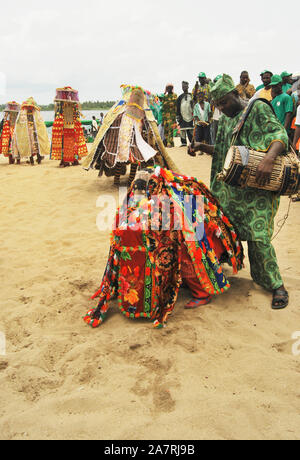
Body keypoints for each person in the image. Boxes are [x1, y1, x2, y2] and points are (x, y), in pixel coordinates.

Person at [84, 166, 244, 329]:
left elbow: (165, 225)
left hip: (198, 237)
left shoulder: (172, 200)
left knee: (186, 252)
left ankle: (202, 294)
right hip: (189, 227)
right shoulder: (157, 190)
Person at [188, 74, 289, 310]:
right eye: (218, 105)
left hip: (257, 187)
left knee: (259, 236)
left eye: (224, 102)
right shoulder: (224, 120)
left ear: (235, 94)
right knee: (224, 230)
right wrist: (202, 146)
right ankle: (223, 270)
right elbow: (224, 152)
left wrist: (269, 157)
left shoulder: (257, 110)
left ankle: (276, 285)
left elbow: (279, 136)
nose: (222, 108)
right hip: (231, 190)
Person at [82, 85, 177, 186]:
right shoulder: (135, 112)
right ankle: (128, 180)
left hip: (126, 144)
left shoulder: (121, 111)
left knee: (124, 160)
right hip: (130, 143)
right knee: (133, 161)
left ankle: (119, 179)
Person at [50, 87, 88, 167]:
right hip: (64, 129)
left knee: (74, 145)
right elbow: (58, 118)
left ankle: (74, 160)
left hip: (72, 129)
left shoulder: (74, 107)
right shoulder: (61, 107)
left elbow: (77, 118)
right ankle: (65, 161)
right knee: (65, 146)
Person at [12, 97, 50, 165]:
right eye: (28, 106)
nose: (29, 107)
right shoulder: (22, 113)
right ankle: (31, 160)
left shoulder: (36, 113)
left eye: (31, 106)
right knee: (29, 146)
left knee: (37, 146)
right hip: (27, 133)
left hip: (35, 132)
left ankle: (39, 159)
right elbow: (19, 124)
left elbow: (40, 124)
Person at [176, 81, 194, 146]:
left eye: (185, 86)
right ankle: (183, 143)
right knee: (182, 130)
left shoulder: (191, 95)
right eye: (183, 87)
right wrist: (178, 116)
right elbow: (178, 107)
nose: (184, 88)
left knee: (190, 130)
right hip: (182, 115)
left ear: (188, 87)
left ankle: (191, 142)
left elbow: (194, 105)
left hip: (190, 115)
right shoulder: (179, 97)